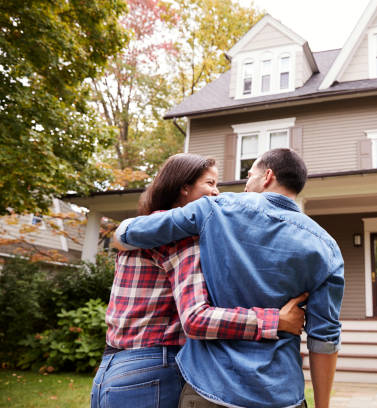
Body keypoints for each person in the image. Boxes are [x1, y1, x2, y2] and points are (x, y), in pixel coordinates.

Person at [115, 148, 344, 408]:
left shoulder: (215, 209)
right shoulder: (327, 247)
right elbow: (324, 338)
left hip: (210, 389)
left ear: (267, 176)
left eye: (249, 175)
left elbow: (130, 232)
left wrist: (120, 235)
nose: (245, 185)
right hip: (280, 393)